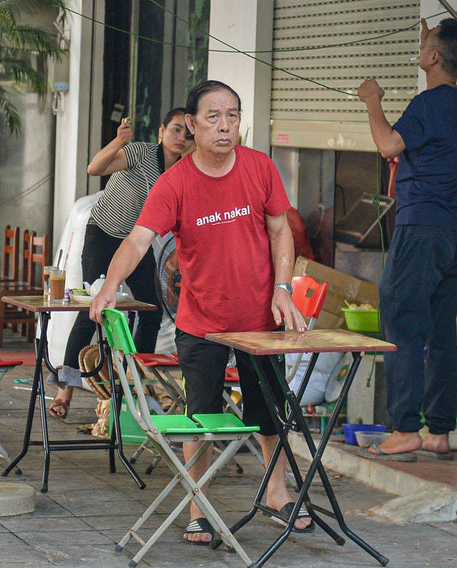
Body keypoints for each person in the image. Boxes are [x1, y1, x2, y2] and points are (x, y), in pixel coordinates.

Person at [90, 80, 310, 545]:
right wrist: (110, 285)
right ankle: (198, 507)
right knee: (201, 416)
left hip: (260, 321)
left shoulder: (260, 168)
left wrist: (284, 288)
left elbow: (280, 231)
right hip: (201, 321)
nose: (224, 125)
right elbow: (138, 239)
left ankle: (277, 491)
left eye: (232, 115)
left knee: (269, 410)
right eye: (213, 117)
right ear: (191, 124)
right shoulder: (175, 183)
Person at [356, 17, 457, 461]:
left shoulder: (427, 104)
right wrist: (429, 39)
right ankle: (439, 430)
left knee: (402, 319)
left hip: (420, 226)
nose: (420, 48)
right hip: (450, 229)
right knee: (441, 327)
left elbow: (388, 144)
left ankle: (405, 428)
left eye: (425, 44)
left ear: (433, 57)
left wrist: (373, 101)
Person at [49, 109, 191, 420]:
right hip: (102, 234)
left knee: (151, 308)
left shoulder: (182, 172)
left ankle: (134, 375)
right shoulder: (141, 151)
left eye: (188, 134)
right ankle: (66, 387)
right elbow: (94, 168)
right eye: (176, 130)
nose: (181, 138)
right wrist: (117, 141)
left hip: (134, 245)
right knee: (94, 309)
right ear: (162, 130)